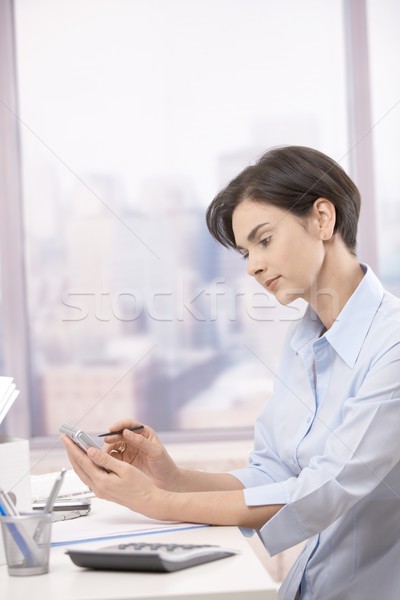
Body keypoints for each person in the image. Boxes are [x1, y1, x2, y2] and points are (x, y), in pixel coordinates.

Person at [62, 146, 400, 600]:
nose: (252, 266)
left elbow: (327, 487)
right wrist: (172, 478)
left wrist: (156, 503)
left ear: (322, 218)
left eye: (264, 240)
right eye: (245, 251)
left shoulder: (392, 343)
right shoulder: (304, 341)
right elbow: (273, 472)